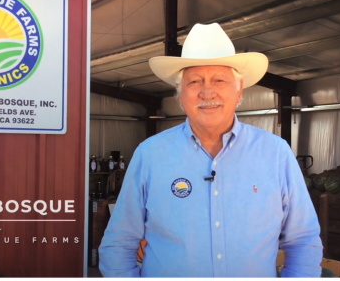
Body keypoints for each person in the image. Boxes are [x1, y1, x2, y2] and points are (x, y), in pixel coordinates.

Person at [99, 22, 322, 277]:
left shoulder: (276, 154)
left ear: (239, 92)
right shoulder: (150, 155)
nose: (207, 91)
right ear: (180, 95)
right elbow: (119, 244)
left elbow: (303, 240)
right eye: (194, 81)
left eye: (219, 80)